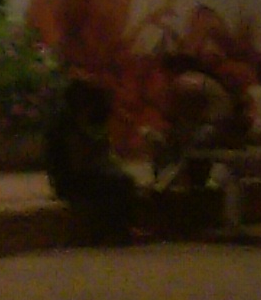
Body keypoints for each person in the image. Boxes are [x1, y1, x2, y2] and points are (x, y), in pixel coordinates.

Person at [44, 78, 137, 244]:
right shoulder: (66, 124)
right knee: (121, 183)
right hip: (69, 181)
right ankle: (114, 231)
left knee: (117, 181)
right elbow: (78, 162)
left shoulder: (71, 120)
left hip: (73, 176)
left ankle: (116, 229)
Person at [151, 54, 239, 189]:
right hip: (216, 127)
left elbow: (181, 110)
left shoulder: (185, 82)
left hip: (211, 129)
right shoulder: (197, 80)